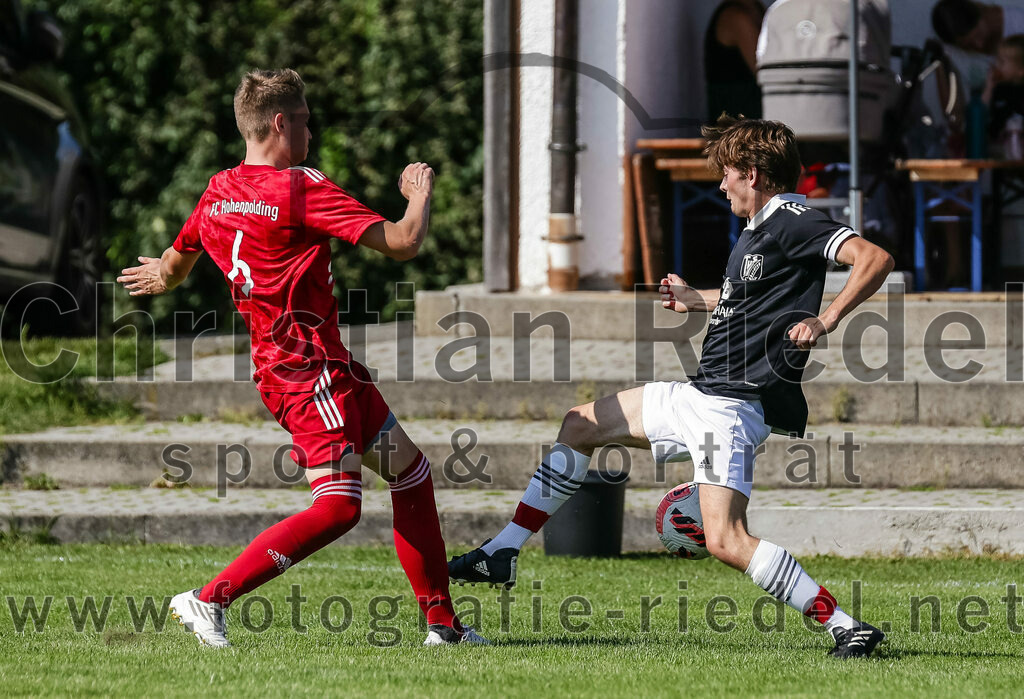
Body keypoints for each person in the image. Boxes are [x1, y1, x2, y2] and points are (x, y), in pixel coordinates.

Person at [448, 116, 896, 659]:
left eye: (727, 174)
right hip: (700, 395)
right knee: (580, 423)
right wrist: (695, 298)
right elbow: (744, 301)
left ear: (752, 173)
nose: (721, 184)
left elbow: (875, 259)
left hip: (730, 409)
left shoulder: (793, 219)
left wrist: (825, 320)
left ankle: (846, 627)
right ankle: (503, 551)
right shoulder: (758, 232)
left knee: (727, 541)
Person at [116, 68, 487, 647]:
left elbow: (178, 257)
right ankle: (208, 599)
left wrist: (160, 278)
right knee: (339, 508)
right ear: (281, 123)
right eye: (307, 121)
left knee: (410, 475)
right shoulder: (298, 186)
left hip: (307, 367)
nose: (311, 134)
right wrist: (418, 197)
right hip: (308, 370)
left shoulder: (217, 191)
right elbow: (403, 243)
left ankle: (444, 626)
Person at [704, 0, 765, 121]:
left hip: (752, 125)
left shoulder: (756, 9)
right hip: (737, 131)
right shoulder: (735, 16)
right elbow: (767, 74)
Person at [932, 0, 1024, 55]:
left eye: (978, 35)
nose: (980, 45)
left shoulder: (1019, 23)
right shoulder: (954, 56)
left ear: (982, 14)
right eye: (969, 45)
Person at [983, 34, 1024, 144]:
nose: (997, 65)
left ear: (1021, 70)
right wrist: (989, 87)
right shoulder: (998, 89)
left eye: (1002, 62)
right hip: (996, 147)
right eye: (997, 60)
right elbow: (983, 112)